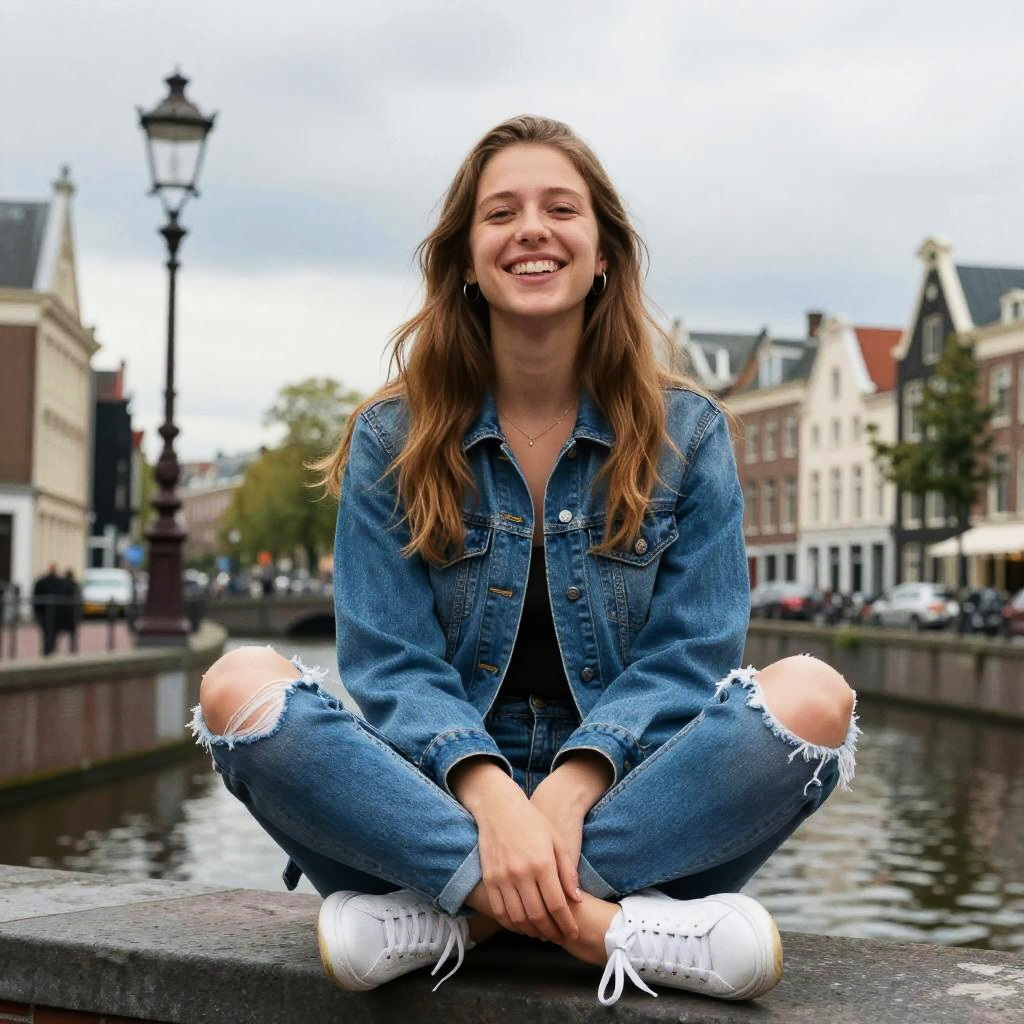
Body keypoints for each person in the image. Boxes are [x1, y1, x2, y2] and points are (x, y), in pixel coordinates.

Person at [191, 116, 859, 1007]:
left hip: (636, 788)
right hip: (437, 793)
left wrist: (573, 787)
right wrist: (494, 797)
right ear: (468, 259)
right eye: (501, 212)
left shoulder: (688, 433)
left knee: (813, 699)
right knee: (237, 689)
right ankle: (610, 927)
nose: (532, 229)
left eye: (560, 209)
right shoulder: (390, 437)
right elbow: (390, 664)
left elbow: (690, 657)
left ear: (603, 253)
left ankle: (453, 919)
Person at [32, 564, 63, 657]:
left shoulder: (41, 582)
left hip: (43, 613)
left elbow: (35, 597)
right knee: (53, 633)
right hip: (54, 613)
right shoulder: (60, 582)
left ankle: (46, 650)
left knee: (46, 633)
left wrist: (36, 612)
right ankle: (50, 650)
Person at [56, 569, 81, 653]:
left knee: (60, 633)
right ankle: (73, 648)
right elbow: (78, 599)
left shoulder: (61, 585)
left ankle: (55, 648)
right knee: (72, 633)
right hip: (72, 613)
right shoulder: (75, 585)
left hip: (63, 613)